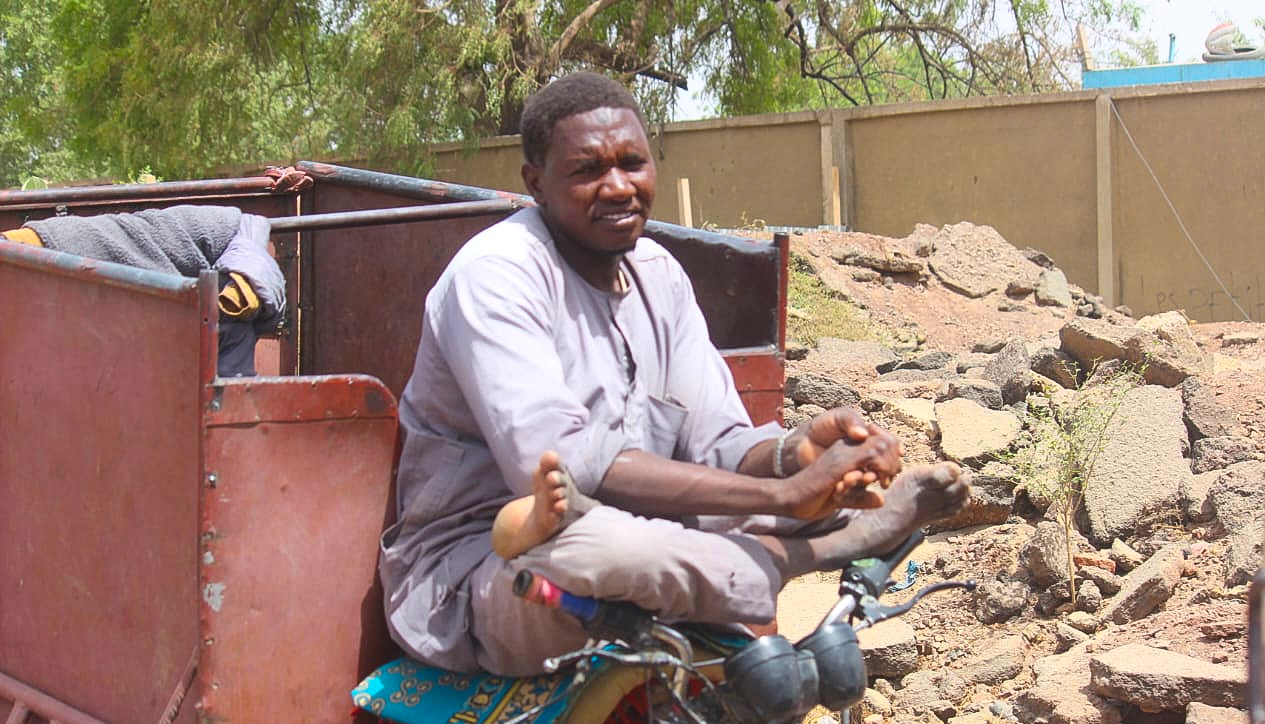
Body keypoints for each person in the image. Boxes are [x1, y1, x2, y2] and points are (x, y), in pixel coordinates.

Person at [379, 71, 969, 678]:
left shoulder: (658, 272)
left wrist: (795, 456)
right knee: (610, 548)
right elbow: (565, 466)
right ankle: (812, 552)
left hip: (654, 525)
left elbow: (716, 444)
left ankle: (804, 539)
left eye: (632, 163)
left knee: (788, 501)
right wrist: (782, 497)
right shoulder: (496, 274)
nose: (618, 187)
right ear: (536, 183)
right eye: (587, 170)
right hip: (490, 564)